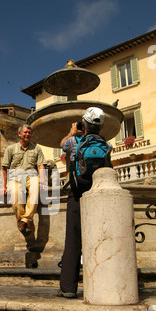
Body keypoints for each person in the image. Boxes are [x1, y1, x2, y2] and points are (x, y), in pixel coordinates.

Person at [58, 107, 112, 298]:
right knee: (100, 237)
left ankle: (68, 288)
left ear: (84, 123)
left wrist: (71, 132)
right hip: (99, 193)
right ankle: (103, 283)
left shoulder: (73, 141)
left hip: (78, 192)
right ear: (101, 125)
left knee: (73, 238)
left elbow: (62, 146)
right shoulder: (106, 144)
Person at [2, 124, 47, 236]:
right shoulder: (10, 149)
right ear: (19, 134)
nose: (27, 134)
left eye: (29, 132)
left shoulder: (37, 148)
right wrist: (3, 186)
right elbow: (5, 169)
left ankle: (24, 220)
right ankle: (22, 221)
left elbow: (41, 165)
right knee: (15, 193)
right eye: (25, 132)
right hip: (15, 178)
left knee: (36, 188)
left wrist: (44, 181)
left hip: (31, 176)